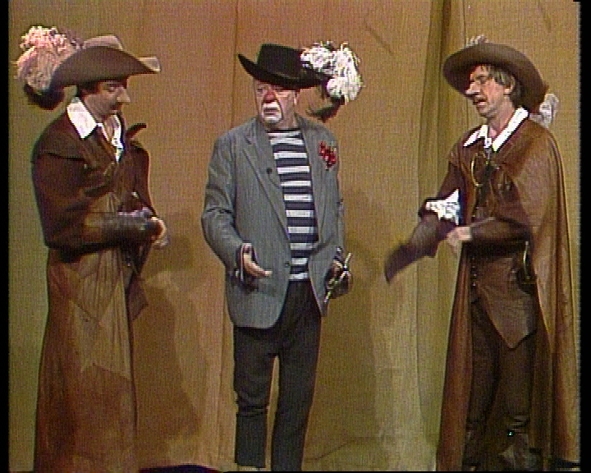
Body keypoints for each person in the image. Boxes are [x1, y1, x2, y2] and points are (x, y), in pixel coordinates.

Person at [384, 37, 579, 470]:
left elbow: (527, 215)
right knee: (470, 407)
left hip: (517, 301)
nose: (473, 90)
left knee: (516, 414)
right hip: (475, 301)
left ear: (508, 85)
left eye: (483, 80)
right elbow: (448, 202)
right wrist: (417, 242)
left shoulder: (534, 144)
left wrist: (474, 232)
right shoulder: (470, 148)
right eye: (471, 82)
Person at [15, 26, 169, 472]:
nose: (124, 98)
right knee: (80, 399)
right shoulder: (59, 145)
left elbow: (131, 199)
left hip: (114, 284)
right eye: (114, 87)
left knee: (114, 398)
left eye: (124, 86)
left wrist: (149, 223)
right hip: (80, 290)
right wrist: (130, 226)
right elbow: (62, 226)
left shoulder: (120, 142)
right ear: (88, 88)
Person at [201, 42, 361, 471]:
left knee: (297, 401)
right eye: (260, 89)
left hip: (307, 296)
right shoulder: (233, 146)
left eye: (278, 89)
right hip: (258, 291)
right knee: (252, 399)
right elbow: (214, 214)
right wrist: (237, 254)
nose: (268, 97)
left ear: (295, 94)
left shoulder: (323, 142)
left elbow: (334, 207)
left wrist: (335, 257)